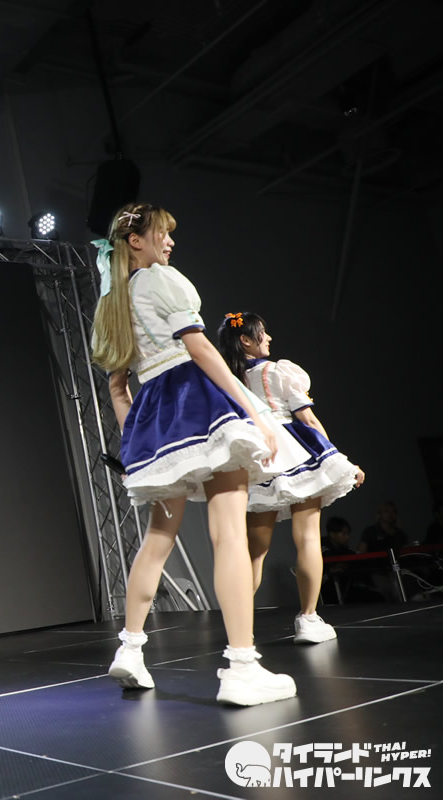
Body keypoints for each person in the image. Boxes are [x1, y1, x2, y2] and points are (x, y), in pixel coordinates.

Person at [91, 203, 298, 706]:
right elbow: (201, 349)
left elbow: (118, 388)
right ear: (136, 241)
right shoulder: (161, 279)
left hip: (155, 415)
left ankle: (130, 649)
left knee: (157, 539)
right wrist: (251, 411)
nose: (170, 241)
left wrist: (140, 442)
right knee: (229, 533)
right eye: (162, 233)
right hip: (196, 399)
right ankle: (242, 666)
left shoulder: (110, 305)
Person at [217, 311, 364, 643]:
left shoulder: (227, 380)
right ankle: (308, 619)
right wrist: (342, 461)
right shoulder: (277, 371)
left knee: (255, 550)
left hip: (260, 458)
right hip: (296, 451)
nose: (269, 338)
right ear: (246, 340)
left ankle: (238, 627)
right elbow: (308, 420)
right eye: (263, 333)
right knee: (308, 538)